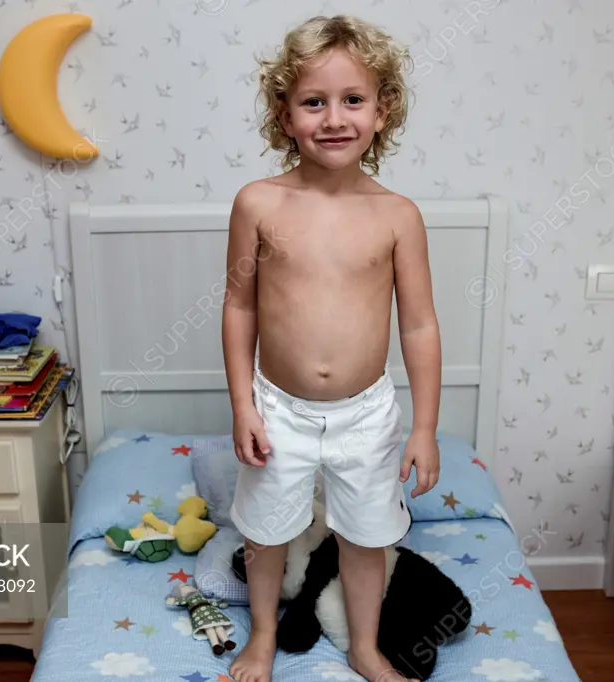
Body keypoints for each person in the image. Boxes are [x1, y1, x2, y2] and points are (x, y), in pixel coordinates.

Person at [221, 14, 441, 682]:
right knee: (265, 532)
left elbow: (420, 326)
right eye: (313, 102)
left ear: (384, 111)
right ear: (284, 114)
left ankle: (364, 648)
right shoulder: (258, 204)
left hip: (365, 413)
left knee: (367, 537)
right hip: (278, 406)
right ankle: (261, 636)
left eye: (353, 100)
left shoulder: (397, 215)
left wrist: (424, 428)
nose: (334, 117)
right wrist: (242, 405)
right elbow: (239, 305)